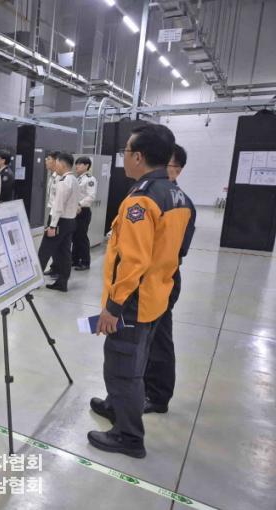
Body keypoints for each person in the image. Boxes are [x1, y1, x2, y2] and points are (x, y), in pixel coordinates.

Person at [88, 125, 195, 459]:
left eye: (126, 150)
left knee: (123, 366)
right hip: (157, 294)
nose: (124, 156)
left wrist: (113, 307)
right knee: (137, 358)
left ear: (138, 156)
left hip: (133, 301)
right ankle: (116, 406)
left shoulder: (142, 200)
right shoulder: (177, 196)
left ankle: (128, 436)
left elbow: (133, 262)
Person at [144, 144, 194, 414]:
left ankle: (158, 396)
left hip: (163, 278)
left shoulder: (181, 203)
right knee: (141, 338)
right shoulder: (150, 195)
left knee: (159, 338)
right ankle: (139, 390)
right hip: (147, 279)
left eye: (168, 166)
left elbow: (179, 250)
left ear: (178, 170)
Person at [37, 152, 79, 292]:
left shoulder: (63, 181)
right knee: (65, 253)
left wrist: (52, 226)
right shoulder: (74, 179)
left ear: (62, 164)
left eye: (57, 162)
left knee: (44, 250)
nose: (56, 165)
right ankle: (62, 282)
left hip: (59, 221)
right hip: (70, 220)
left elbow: (58, 206)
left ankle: (34, 282)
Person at [71, 156, 98, 271]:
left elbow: (91, 196)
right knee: (75, 236)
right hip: (74, 210)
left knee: (81, 237)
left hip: (83, 211)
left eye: (80, 164)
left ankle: (85, 262)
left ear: (86, 166)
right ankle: (75, 259)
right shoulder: (78, 179)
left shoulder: (90, 179)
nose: (76, 166)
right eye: (76, 164)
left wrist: (79, 204)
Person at [44, 151, 61, 278]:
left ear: (56, 161)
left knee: (56, 243)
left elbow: (59, 201)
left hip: (57, 214)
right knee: (54, 244)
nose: (46, 161)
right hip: (52, 212)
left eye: (48, 158)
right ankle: (55, 267)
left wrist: (54, 222)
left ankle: (58, 269)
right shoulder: (52, 176)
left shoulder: (60, 178)